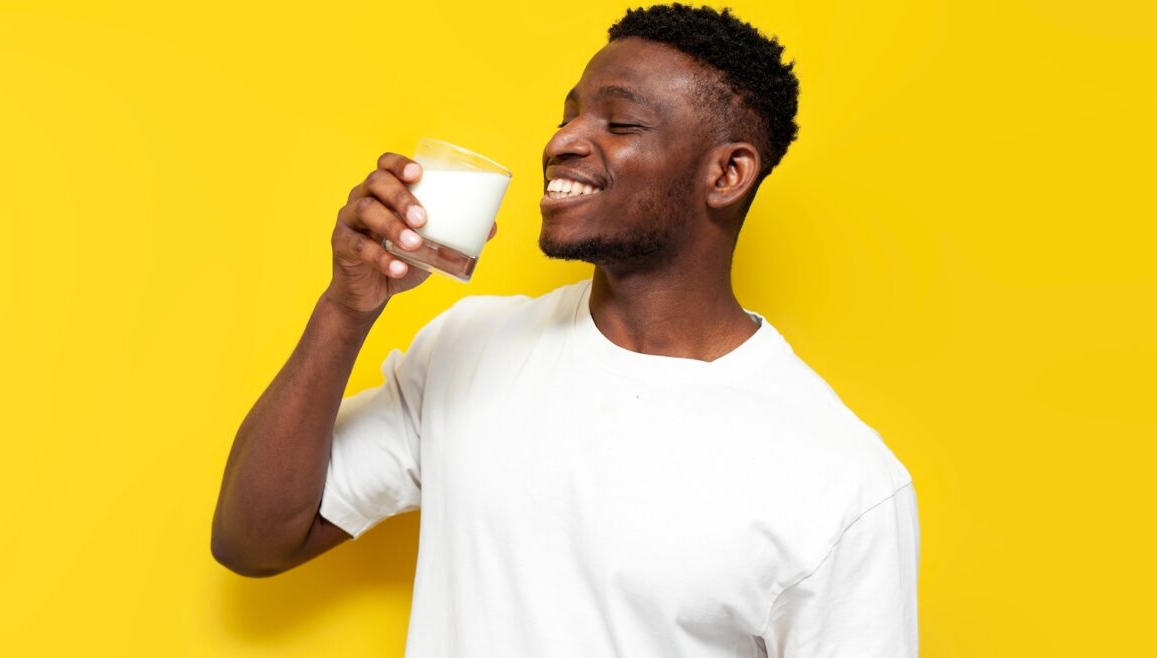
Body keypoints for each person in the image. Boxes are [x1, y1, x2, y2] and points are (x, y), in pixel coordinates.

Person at [211, 4, 920, 657]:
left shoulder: (842, 481)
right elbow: (255, 540)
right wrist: (346, 307)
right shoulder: (470, 347)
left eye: (621, 124)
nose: (562, 141)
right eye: (568, 115)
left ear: (728, 173)